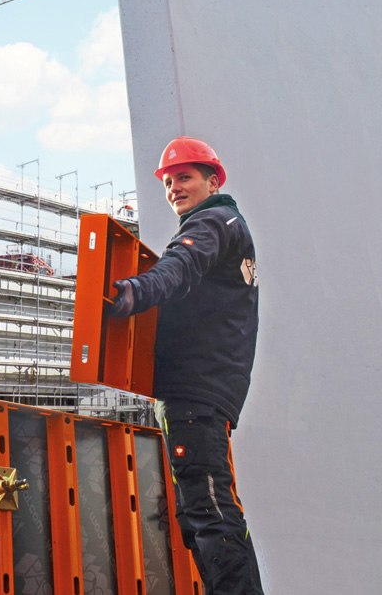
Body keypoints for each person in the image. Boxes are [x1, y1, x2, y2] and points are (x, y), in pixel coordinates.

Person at [107, 136, 263, 594]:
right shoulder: (226, 224)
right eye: (169, 180)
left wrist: (132, 292)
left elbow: (179, 267)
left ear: (213, 180)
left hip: (196, 396)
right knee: (205, 514)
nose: (174, 187)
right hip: (201, 396)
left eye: (185, 177)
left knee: (210, 516)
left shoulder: (213, 221)